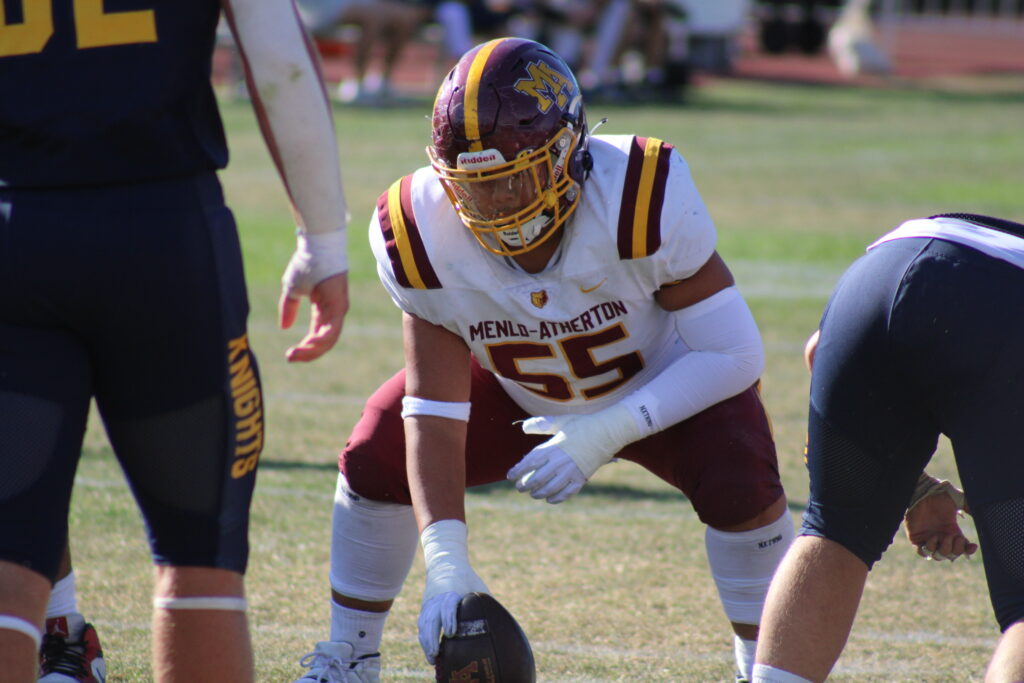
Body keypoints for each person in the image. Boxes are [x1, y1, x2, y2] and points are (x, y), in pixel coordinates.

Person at [291, 36, 793, 683]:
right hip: (521, 387)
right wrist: (446, 563)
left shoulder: (637, 193)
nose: (497, 207)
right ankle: (350, 658)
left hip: (659, 378)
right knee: (379, 445)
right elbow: (433, 408)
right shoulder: (418, 229)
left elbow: (734, 351)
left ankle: (771, 668)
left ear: (568, 153)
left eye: (513, 181)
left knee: (740, 467)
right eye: (476, 189)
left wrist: (607, 430)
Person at [0, 0, 351, 680]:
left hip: (15, 230)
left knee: (8, 579)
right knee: (200, 566)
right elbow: (279, 61)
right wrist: (323, 237)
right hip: (165, 242)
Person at [752, 213, 1024, 683]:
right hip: (1002, 299)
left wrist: (911, 483)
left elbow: (819, 351)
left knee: (834, 530)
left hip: (882, 271)